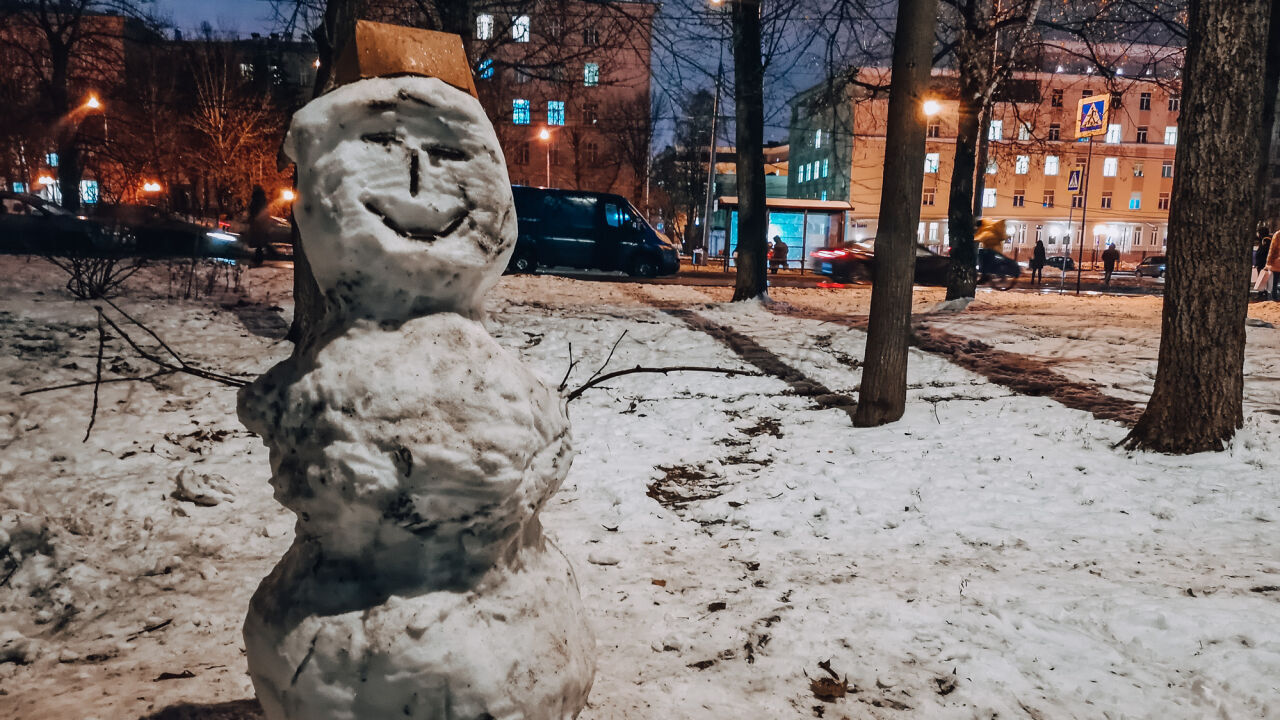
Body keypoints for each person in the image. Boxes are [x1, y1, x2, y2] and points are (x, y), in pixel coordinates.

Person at [1268, 229, 1280, 300]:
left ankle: (1274, 298)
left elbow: (1272, 249)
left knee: (1274, 282)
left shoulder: (1277, 234)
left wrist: (1269, 263)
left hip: (1277, 262)